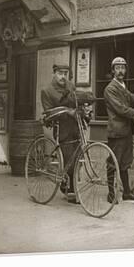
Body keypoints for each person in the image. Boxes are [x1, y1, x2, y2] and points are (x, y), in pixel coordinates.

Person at [103, 56, 134, 203]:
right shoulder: (110, 89)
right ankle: (110, 194)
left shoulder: (122, 86)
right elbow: (121, 109)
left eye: (123, 68)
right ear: (112, 71)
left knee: (125, 162)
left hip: (126, 130)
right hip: (116, 131)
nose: (121, 71)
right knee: (113, 162)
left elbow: (130, 97)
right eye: (117, 68)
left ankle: (127, 192)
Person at [40, 64, 80, 204]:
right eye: (60, 73)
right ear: (54, 73)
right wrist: (66, 111)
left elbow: (76, 102)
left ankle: (66, 184)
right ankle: (72, 191)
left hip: (76, 127)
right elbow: (48, 113)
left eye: (65, 73)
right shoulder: (47, 91)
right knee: (70, 159)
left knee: (78, 158)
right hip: (62, 129)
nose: (63, 76)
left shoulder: (70, 86)